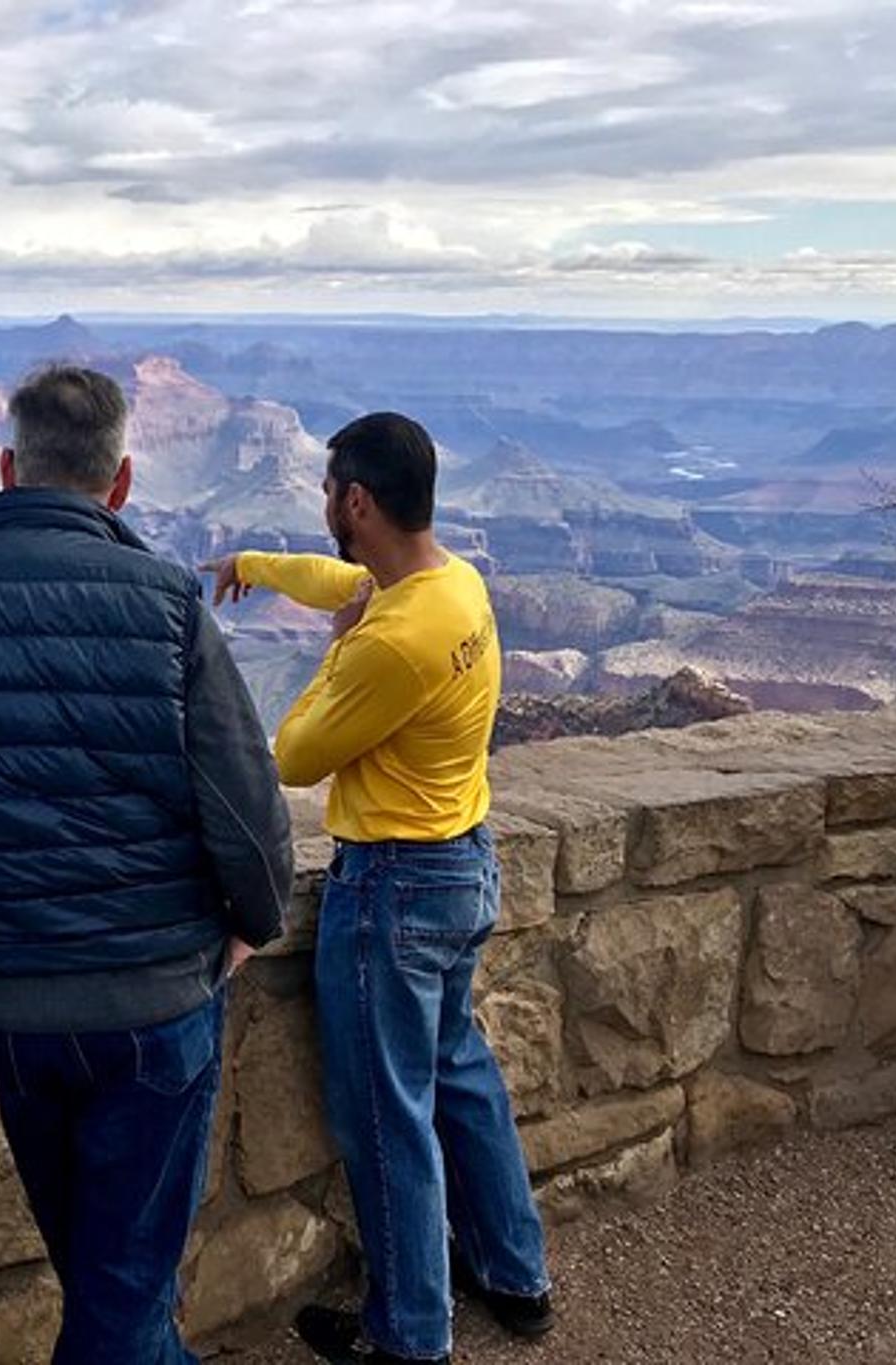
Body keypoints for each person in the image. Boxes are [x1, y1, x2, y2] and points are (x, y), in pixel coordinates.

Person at [0, 365, 295, 1364]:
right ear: (118, 485)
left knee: (104, 1273)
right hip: (155, 1002)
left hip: (6, 1001)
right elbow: (244, 810)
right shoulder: (165, 600)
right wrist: (253, 922)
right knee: (119, 1287)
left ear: (5, 466)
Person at [203, 413, 553, 1364]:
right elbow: (348, 582)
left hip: (393, 889)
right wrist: (260, 565)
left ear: (356, 500)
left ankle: (409, 1335)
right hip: (463, 863)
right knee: (461, 1076)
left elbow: (293, 756)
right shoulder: (454, 582)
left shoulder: (389, 639)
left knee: (386, 1114)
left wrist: (337, 648)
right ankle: (515, 1272)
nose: (325, 508)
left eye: (328, 493)